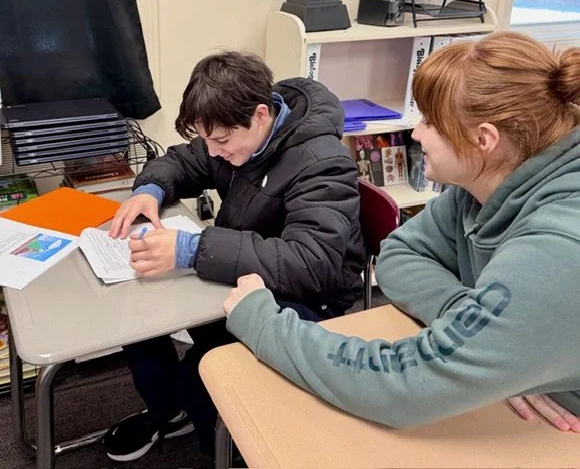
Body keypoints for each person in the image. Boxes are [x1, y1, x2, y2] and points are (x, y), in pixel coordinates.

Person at [223, 32, 580, 435]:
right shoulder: (487, 182)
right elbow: (399, 253)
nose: (415, 133)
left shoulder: (558, 246)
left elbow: (401, 384)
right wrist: (479, 327)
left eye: (430, 121)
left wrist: (263, 323)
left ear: (484, 140)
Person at [102, 50, 366, 461]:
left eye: (221, 140)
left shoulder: (321, 163)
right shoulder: (239, 135)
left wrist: (193, 249)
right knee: (135, 318)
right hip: (244, 271)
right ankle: (171, 413)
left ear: (261, 115)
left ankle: (225, 450)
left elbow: (312, 263)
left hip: (307, 299)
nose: (213, 149)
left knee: (202, 375)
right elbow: (183, 160)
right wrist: (148, 190)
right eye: (208, 139)